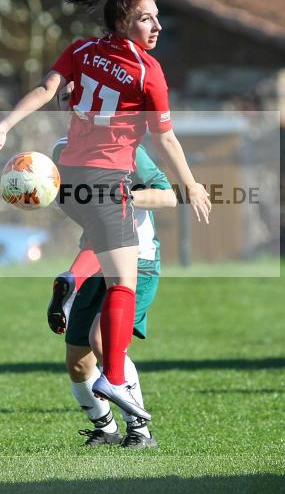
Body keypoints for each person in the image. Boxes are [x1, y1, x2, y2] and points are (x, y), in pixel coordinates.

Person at [0, 0, 211, 421]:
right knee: (124, 281)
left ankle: (74, 285)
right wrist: (191, 184)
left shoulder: (82, 50)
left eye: (158, 17)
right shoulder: (148, 72)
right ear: (124, 23)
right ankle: (115, 377)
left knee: (107, 259)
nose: (157, 26)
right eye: (147, 19)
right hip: (108, 183)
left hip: (68, 181)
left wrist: (4, 126)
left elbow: (48, 90)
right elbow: (166, 140)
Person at [49, 138, 175, 449]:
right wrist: (38, 190)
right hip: (95, 256)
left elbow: (168, 196)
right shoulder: (61, 151)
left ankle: (140, 430)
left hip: (138, 257)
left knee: (101, 339)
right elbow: (79, 209)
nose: (74, 102)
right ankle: (105, 428)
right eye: (66, 97)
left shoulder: (128, 147)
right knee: (78, 361)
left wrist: (122, 196)